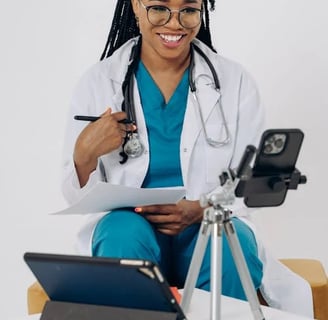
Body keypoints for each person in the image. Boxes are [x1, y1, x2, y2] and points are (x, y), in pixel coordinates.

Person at [61, 0, 313, 316]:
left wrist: (202, 208)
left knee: (227, 247)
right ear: (136, 6)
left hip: (208, 224)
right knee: (120, 236)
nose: (175, 23)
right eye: (159, 7)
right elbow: (74, 194)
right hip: (131, 227)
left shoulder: (234, 82)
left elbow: (248, 185)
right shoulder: (98, 82)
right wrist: (83, 156)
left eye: (189, 9)